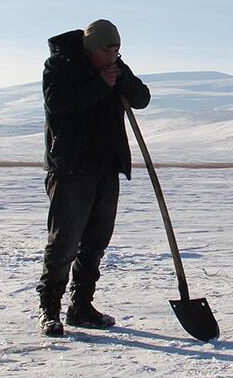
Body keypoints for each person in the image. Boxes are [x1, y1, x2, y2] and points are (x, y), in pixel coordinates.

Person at [37, 19, 151, 337]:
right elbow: (58, 104)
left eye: (117, 49)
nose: (113, 55)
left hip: (105, 167)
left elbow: (141, 98)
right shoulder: (61, 66)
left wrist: (120, 80)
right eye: (107, 49)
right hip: (71, 169)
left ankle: (81, 306)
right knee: (64, 243)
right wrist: (101, 84)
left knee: (95, 243)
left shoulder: (116, 67)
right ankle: (50, 310)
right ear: (91, 49)